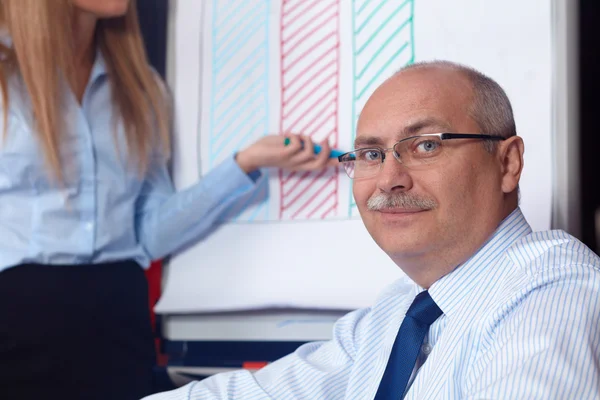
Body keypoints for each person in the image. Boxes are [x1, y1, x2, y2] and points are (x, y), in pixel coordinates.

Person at [145, 60, 600, 400]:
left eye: (425, 145)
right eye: (370, 154)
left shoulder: (552, 289)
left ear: (507, 163)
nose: (388, 179)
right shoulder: (398, 313)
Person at [0, 1, 335, 399]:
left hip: (118, 320)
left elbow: (148, 233)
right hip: (16, 317)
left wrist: (245, 164)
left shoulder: (141, 89)